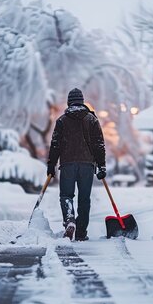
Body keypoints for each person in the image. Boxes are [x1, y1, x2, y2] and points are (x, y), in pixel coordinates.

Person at [47, 88, 106, 241]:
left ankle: (69, 220)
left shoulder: (62, 121)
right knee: (84, 199)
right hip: (87, 165)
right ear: (82, 101)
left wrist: (51, 165)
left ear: (69, 102)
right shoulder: (92, 120)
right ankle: (81, 233)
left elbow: (55, 145)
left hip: (67, 164)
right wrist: (102, 166)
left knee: (66, 195)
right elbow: (99, 145)